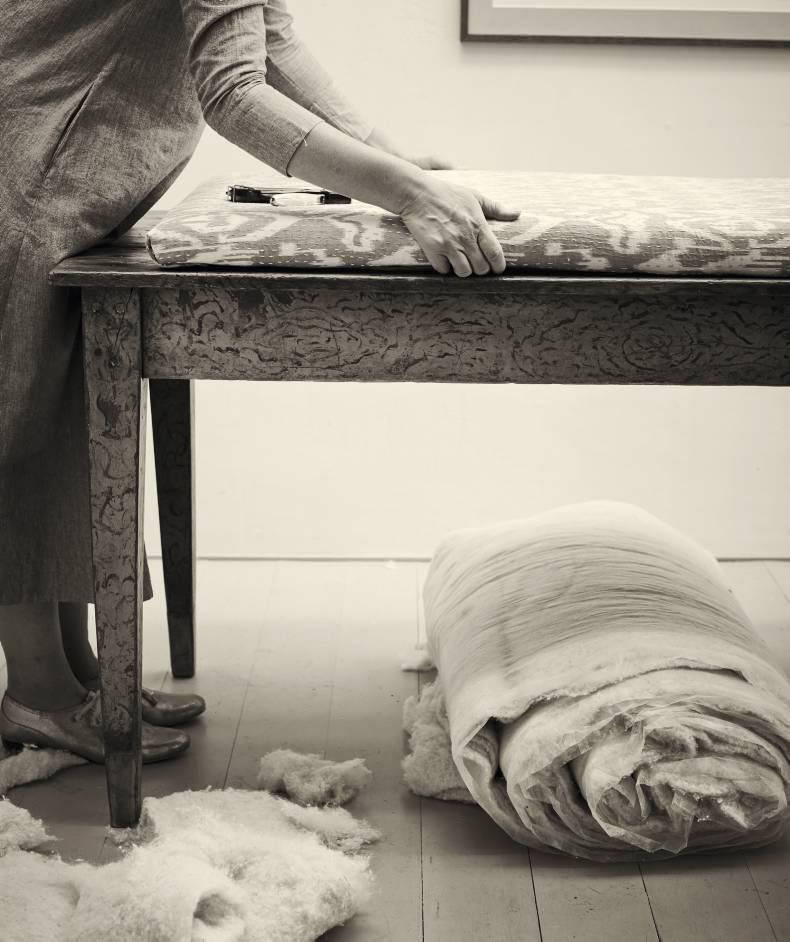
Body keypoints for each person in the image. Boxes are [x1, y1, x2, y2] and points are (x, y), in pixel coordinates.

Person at [0, 0, 521, 763]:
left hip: (52, 180)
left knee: (62, 427)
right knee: (20, 435)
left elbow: (269, 37)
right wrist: (406, 192)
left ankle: (85, 679)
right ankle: (39, 694)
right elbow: (235, 91)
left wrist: (399, 167)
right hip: (27, 182)